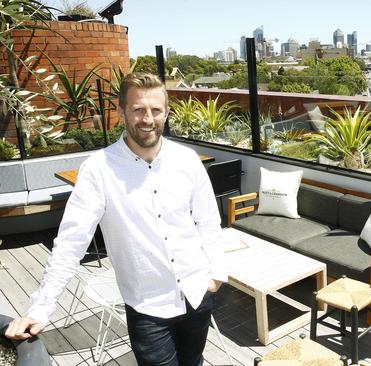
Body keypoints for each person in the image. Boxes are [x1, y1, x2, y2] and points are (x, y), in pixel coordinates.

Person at [4, 73, 228, 366]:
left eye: (155, 110)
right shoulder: (98, 169)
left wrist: (216, 274)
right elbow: (71, 243)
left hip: (197, 293)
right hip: (148, 308)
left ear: (166, 112)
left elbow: (208, 221)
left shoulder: (187, 160)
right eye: (138, 110)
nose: (148, 119)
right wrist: (40, 309)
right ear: (121, 112)